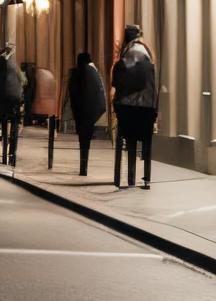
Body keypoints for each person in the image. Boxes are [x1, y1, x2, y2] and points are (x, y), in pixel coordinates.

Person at [110, 25, 159, 189]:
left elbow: (117, 80)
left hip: (128, 108)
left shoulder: (130, 53)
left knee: (129, 141)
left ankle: (130, 176)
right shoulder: (146, 52)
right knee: (144, 141)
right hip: (147, 109)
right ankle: (144, 177)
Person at [65, 53, 108, 176]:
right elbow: (100, 93)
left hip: (80, 111)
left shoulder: (76, 72)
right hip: (93, 112)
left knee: (82, 140)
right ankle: (84, 166)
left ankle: (83, 166)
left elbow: (71, 93)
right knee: (86, 140)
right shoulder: (94, 72)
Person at [0, 44, 24, 165]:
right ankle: (12, 154)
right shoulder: (16, 72)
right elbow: (19, 93)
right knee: (15, 123)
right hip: (11, 110)